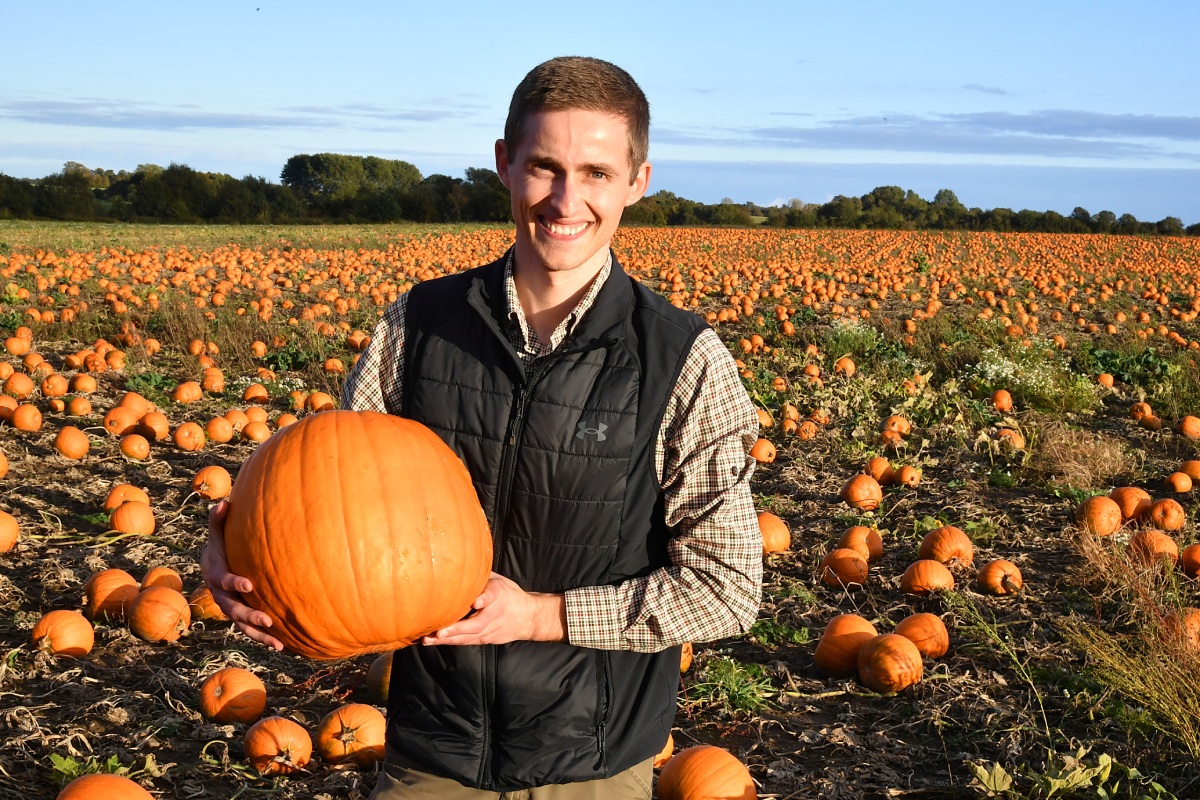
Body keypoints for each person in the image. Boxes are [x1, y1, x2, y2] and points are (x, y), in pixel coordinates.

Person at [202, 55, 762, 798]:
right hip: (430, 747)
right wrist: (235, 555)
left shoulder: (682, 361)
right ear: (504, 164)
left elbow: (726, 588)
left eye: (596, 172)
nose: (567, 200)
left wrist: (539, 616)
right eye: (544, 167)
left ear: (638, 180)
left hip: (590, 762)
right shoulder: (419, 326)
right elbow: (325, 503)